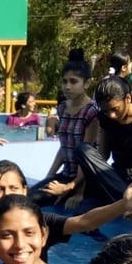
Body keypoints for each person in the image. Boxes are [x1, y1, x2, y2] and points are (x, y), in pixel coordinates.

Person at [0, 161, 132, 264]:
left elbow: (84, 222)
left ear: (25, 191)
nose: (7, 195)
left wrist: (123, 205)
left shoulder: (41, 222)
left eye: (13, 188)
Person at [72, 75, 132, 206]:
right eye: (106, 111)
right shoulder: (105, 118)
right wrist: (77, 187)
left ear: (128, 99)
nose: (111, 115)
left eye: (115, 109)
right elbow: (102, 156)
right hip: (116, 179)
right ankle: (127, 202)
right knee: (83, 150)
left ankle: (131, 202)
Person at [30, 49, 99, 208]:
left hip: (86, 182)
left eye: (73, 82)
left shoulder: (92, 112)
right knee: (22, 201)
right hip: (66, 176)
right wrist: (49, 176)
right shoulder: (62, 109)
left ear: (86, 83)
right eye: (64, 81)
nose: (67, 86)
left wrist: (78, 192)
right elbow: (64, 148)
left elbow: (88, 157)